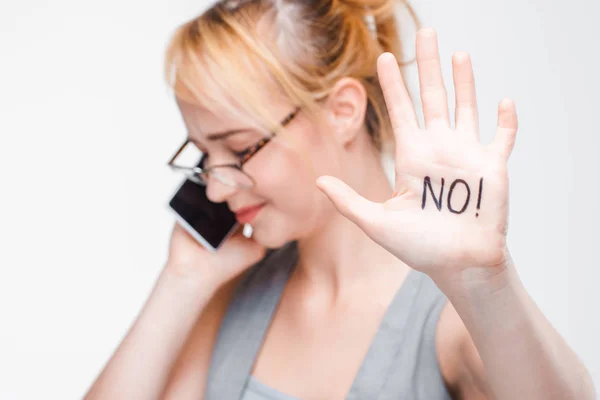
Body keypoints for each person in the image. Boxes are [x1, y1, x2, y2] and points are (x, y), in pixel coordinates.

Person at [85, 0, 595, 399]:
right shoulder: (231, 293)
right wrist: (182, 279)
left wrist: (486, 285)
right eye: (203, 154)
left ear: (343, 111)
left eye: (239, 149)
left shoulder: (449, 319)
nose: (215, 188)